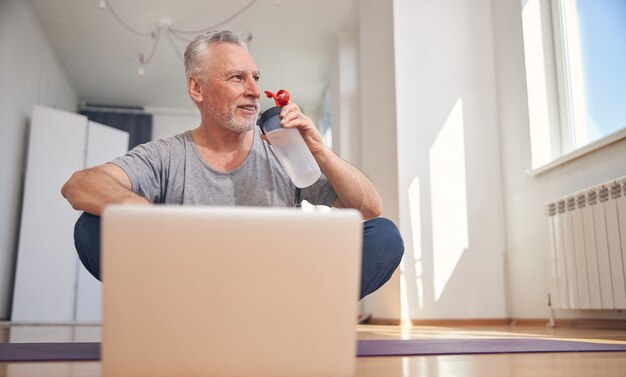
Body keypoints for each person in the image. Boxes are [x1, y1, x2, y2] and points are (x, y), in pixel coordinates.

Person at [61, 30, 403, 300]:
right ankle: (193, 316)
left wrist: (318, 149)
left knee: (385, 235)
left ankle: (282, 316)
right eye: (237, 78)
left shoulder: (285, 152)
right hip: (189, 289)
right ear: (198, 88)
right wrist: (148, 215)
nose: (254, 90)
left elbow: (369, 208)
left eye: (256, 77)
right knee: (91, 227)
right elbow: (79, 185)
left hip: (278, 288)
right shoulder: (165, 155)